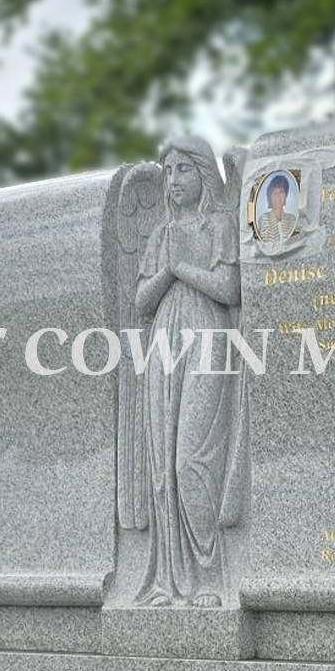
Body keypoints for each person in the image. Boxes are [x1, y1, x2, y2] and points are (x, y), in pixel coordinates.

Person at [133, 136, 241, 607]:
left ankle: (212, 577)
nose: (174, 181)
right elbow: (140, 301)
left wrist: (182, 267)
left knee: (191, 462)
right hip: (163, 343)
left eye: (183, 170)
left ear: (203, 174)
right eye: (168, 173)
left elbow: (229, 287)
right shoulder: (159, 235)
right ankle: (169, 581)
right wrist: (167, 270)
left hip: (209, 338)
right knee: (162, 468)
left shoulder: (219, 224)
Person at [255, 173, 297, 250]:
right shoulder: (264, 219)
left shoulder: (292, 219)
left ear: (285, 195)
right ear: (270, 197)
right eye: (274, 193)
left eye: (281, 192)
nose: (278, 196)